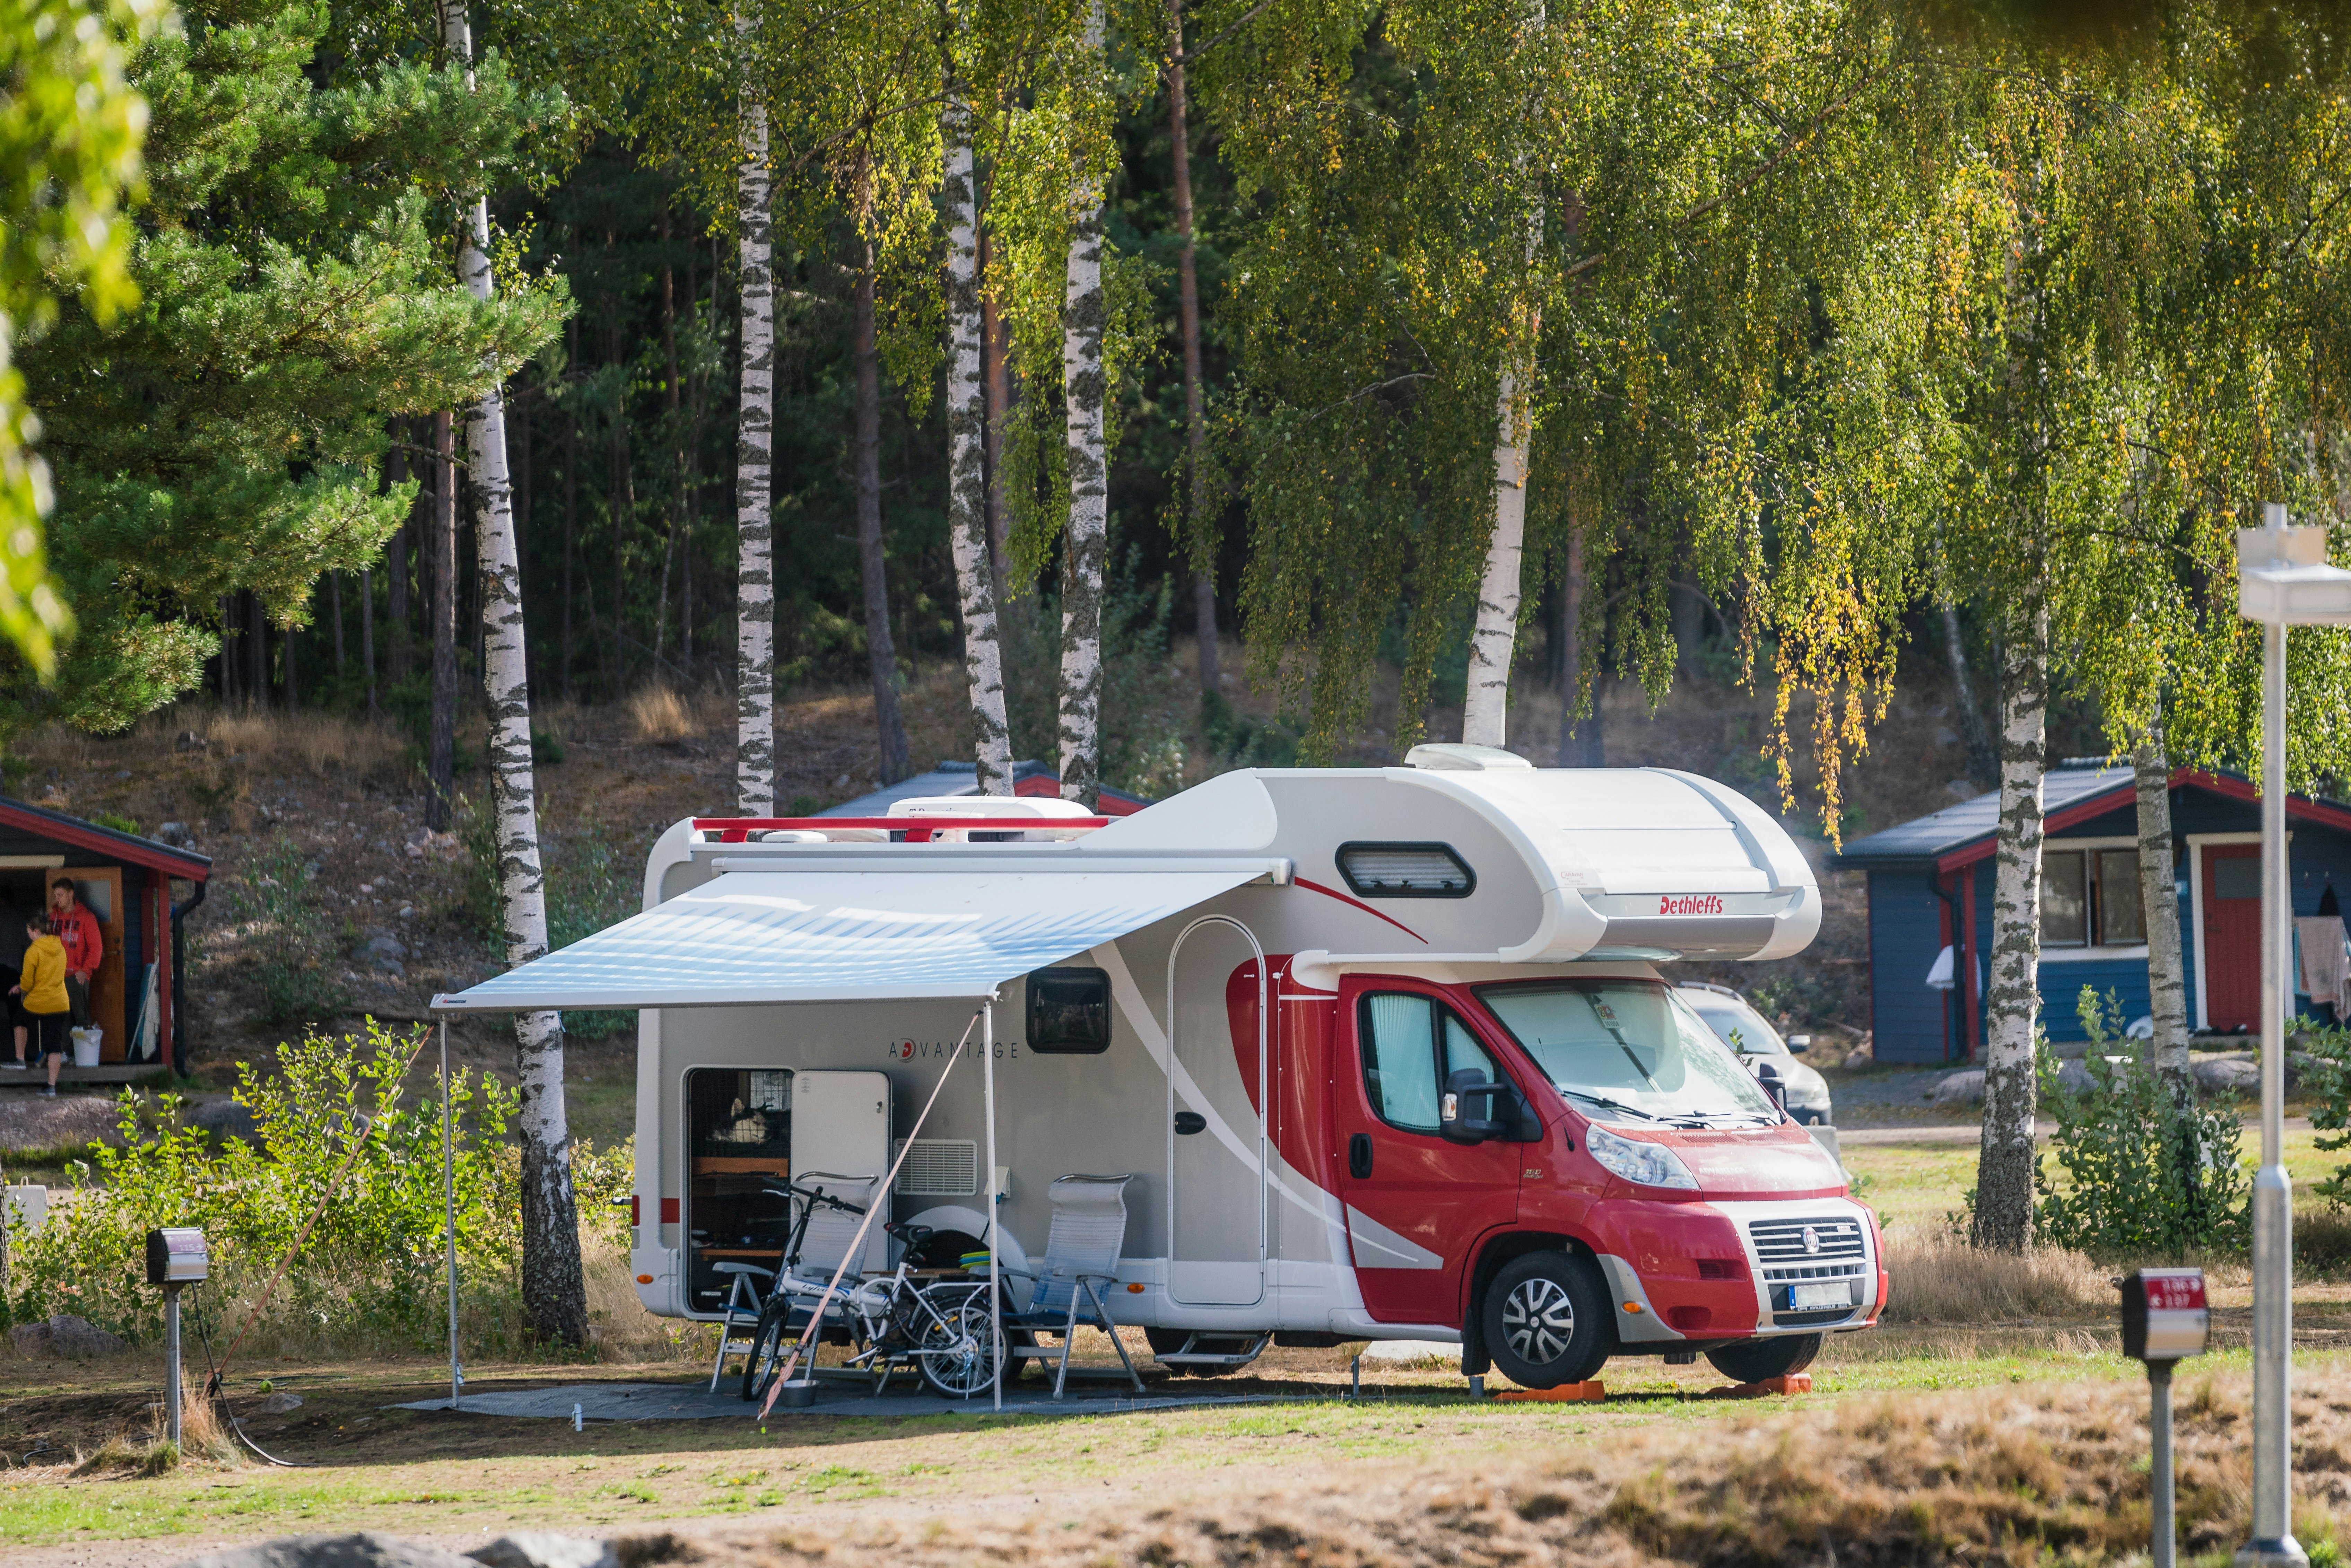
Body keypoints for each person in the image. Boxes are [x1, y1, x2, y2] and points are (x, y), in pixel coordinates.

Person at [11, 913, 70, 1095]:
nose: (28, 934)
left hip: (38, 1002)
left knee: (19, 1019)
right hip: (60, 1003)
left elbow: (28, 983)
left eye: (29, 931)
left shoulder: (33, 950)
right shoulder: (60, 947)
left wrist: (21, 987)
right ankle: (52, 1087)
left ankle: (20, 1060)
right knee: (54, 1044)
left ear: (36, 931)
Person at [47, 879, 100, 1034]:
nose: (57, 899)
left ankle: (84, 1056)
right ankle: (65, 1054)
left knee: (81, 1019)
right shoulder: (52, 918)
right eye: (56, 895)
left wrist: (85, 970)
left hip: (77, 975)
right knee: (60, 1018)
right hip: (56, 976)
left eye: (61, 895)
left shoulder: (87, 918)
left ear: (71, 894)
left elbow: (96, 948)